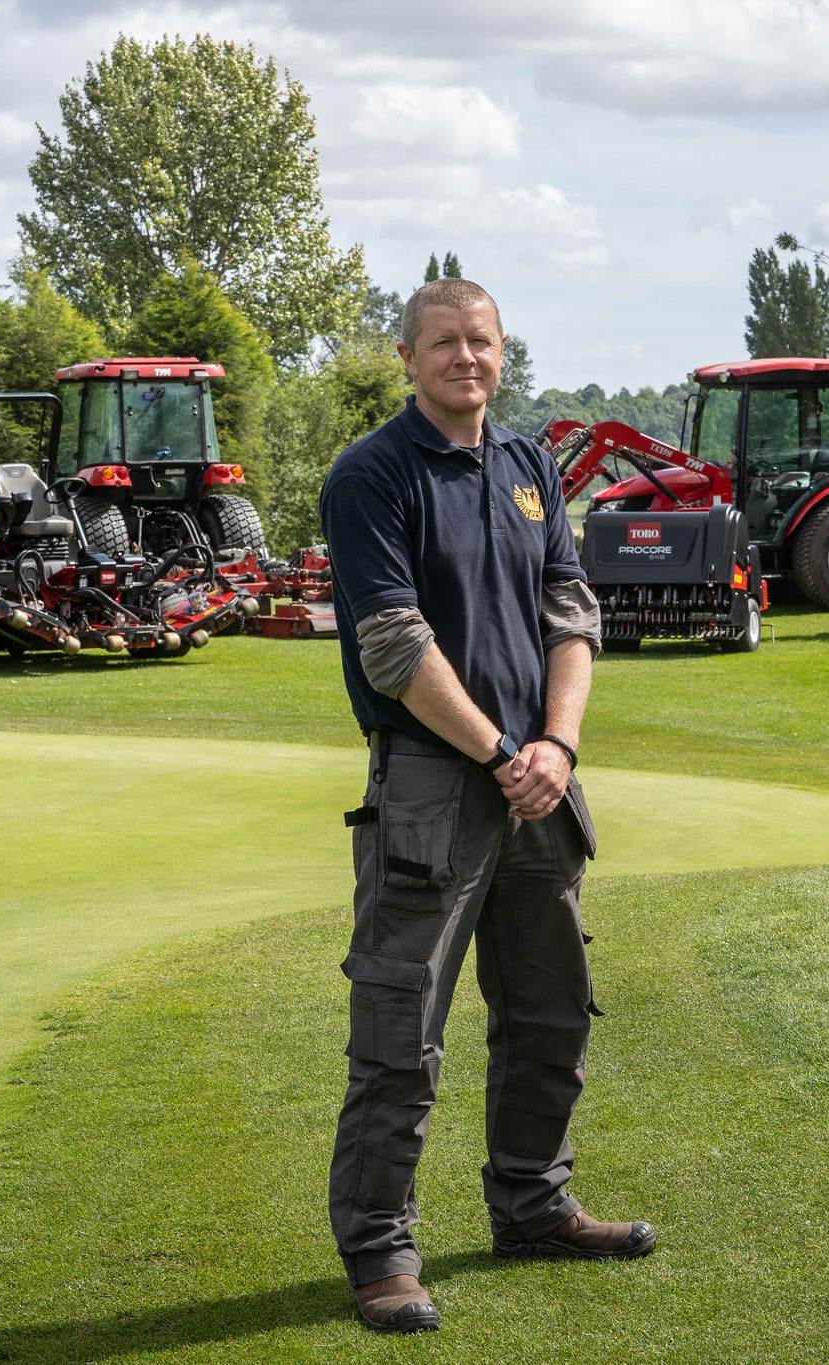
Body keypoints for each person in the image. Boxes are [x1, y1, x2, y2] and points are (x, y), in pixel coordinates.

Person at [318, 277, 656, 1335]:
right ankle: (380, 1257)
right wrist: (505, 751)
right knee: (399, 1034)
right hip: (431, 783)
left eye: (482, 342)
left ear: (502, 354)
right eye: (444, 344)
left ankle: (533, 1206)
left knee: (550, 1012)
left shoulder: (526, 467)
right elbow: (394, 646)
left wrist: (555, 744)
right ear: (407, 359)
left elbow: (570, 608)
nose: (466, 358)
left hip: (538, 782)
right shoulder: (370, 475)